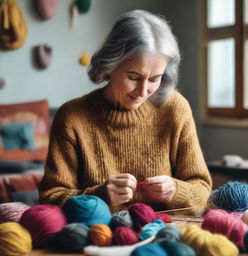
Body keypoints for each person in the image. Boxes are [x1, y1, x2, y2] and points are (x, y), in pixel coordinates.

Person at [39, 9, 212, 215]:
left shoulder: (175, 108)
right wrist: (99, 195)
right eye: (134, 77)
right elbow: (50, 198)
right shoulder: (72, 117)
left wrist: (176, 191)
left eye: (155, 78)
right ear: (110, 65)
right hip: (96, 238)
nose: (143, 91)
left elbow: (202, 191)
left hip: (164, 235)